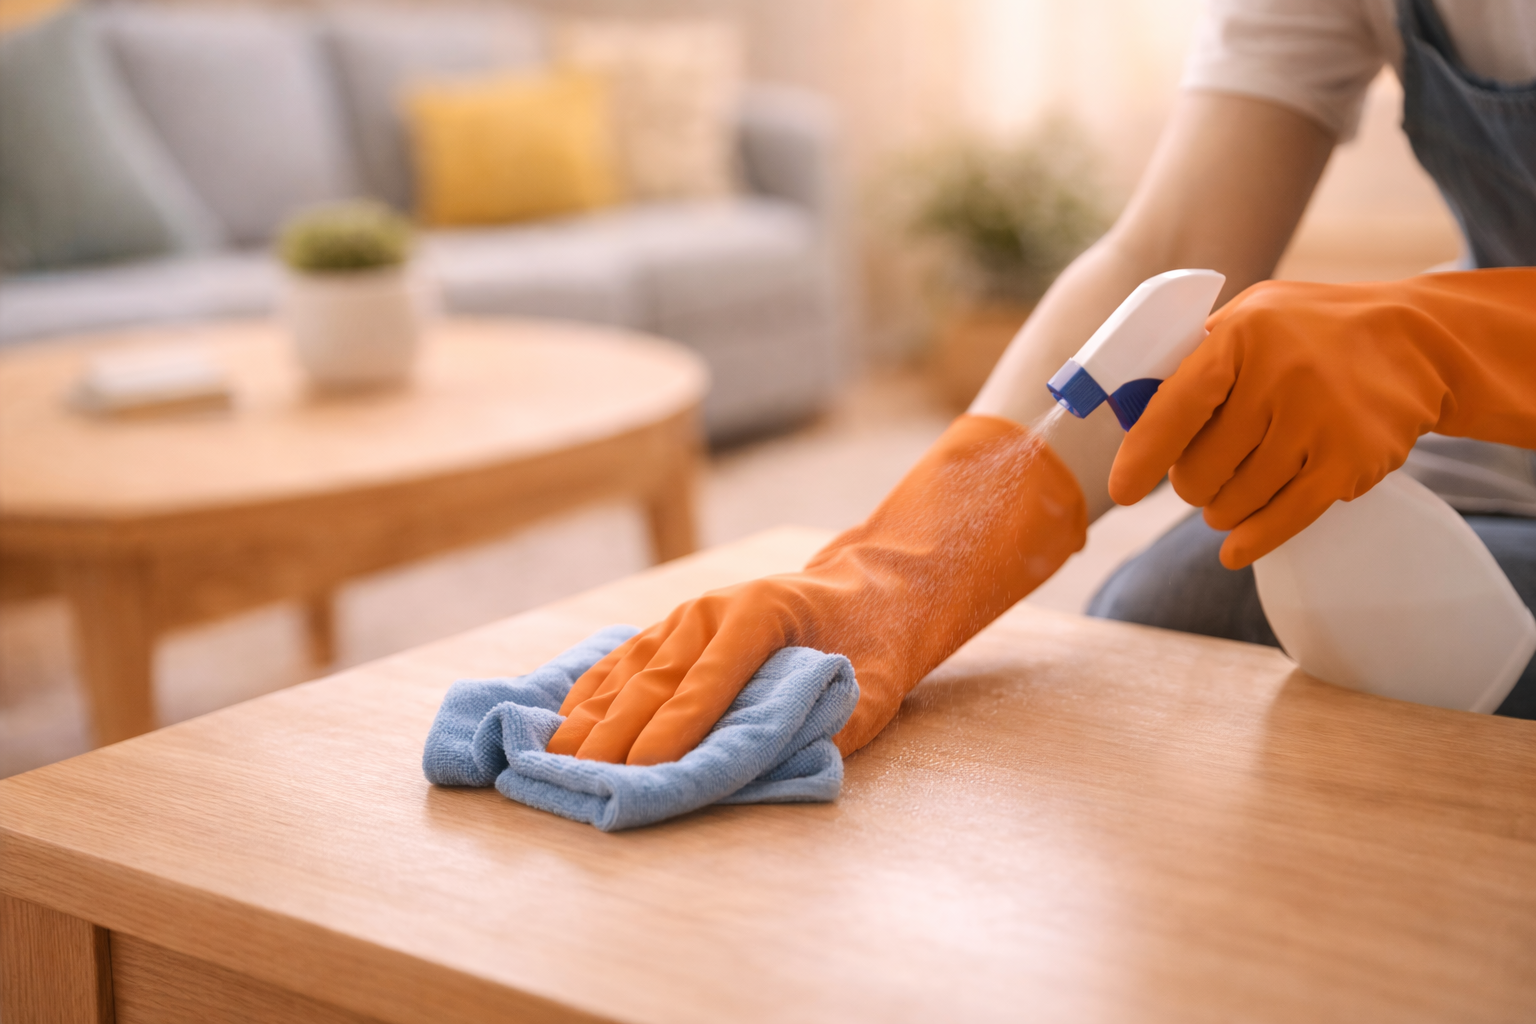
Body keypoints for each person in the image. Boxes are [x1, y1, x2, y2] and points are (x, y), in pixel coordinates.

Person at [546, 0, 1536, 767]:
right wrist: (899, 570)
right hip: (1490, 451)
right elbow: (1177, 245)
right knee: (1168, 612)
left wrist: (1450, 340)